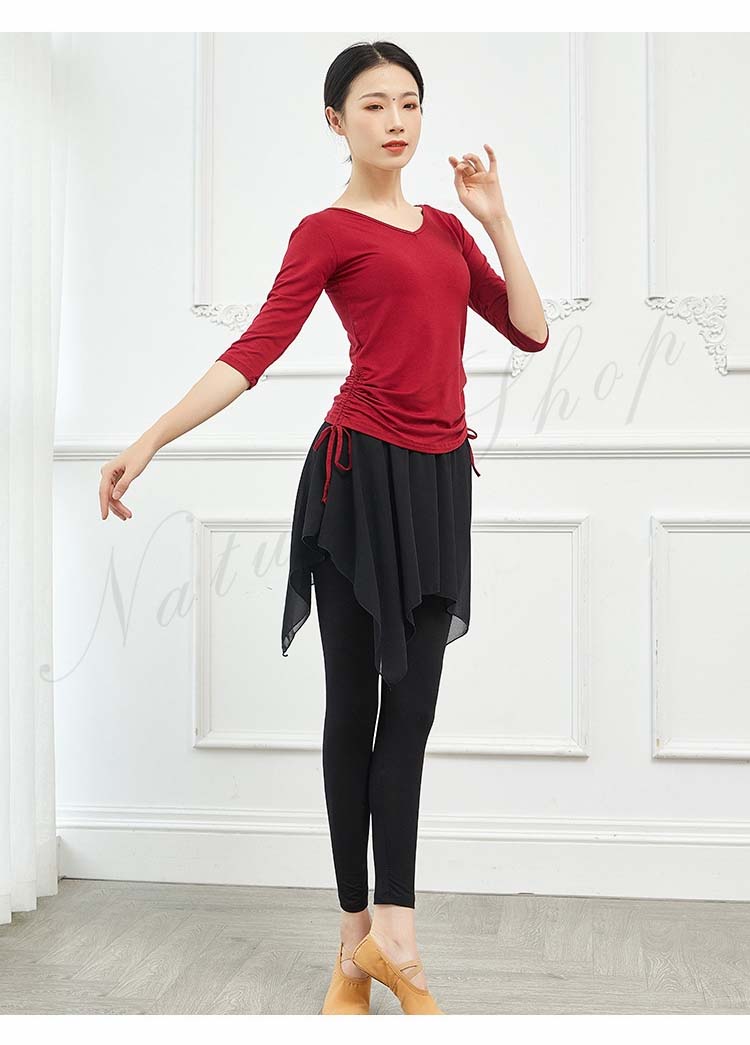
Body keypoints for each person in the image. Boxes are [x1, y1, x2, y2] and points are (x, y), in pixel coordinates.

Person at [98, 39, 548, 1017]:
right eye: (375, 104)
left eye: (410, 103)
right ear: (336, 121)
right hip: (355, 481)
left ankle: (380, 945)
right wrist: (151, 437)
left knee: (412, 712)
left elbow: (531, 329)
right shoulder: (326, 231)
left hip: (439, 479)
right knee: (355, 707)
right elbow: (255, 348)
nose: (397, 121)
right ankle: (371, 942)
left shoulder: (446, 231)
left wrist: (497, 218)